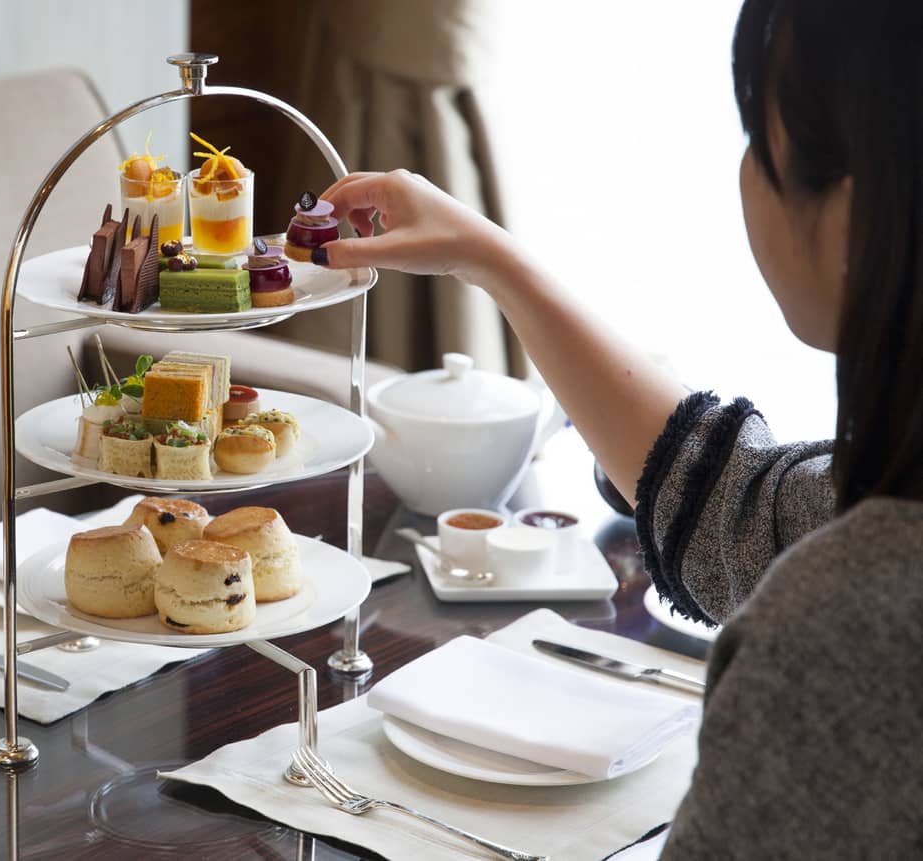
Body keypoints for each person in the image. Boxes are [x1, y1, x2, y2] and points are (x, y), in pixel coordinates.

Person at [312, 0, 923, 856]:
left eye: (761, 137)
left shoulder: (839, 637)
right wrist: (490, 257)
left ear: (854, 219)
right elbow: (741, 515)